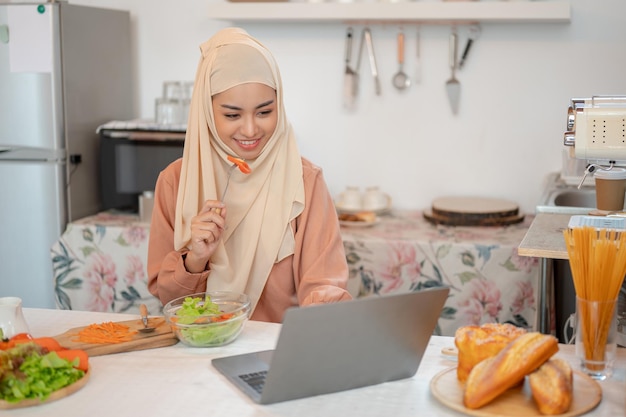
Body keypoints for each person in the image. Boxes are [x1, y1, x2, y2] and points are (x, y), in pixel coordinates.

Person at [147, 27, 352, 323]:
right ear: (206, 110)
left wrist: (317, 332)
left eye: (265, 112)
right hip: (196, 350)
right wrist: (195, 258)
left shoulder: (305, 182)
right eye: (232, 115)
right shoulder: (175, 182)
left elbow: (324, 287)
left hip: (278, 353)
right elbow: (168, 299)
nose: (250, 130)